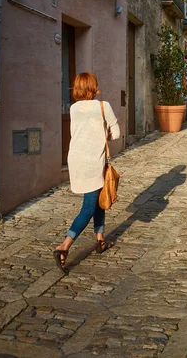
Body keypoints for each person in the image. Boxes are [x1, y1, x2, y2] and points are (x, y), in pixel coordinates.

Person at [54, 72, 120, 272]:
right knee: (89, 206)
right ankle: (64, 246)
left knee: (98, 197)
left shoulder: (74, 108)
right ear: (94, 87)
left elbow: (76, 133)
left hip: (75, 159)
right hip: (93, 161)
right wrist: (104, 134)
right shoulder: (103, 106)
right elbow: (116, 134)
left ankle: (100, 240)